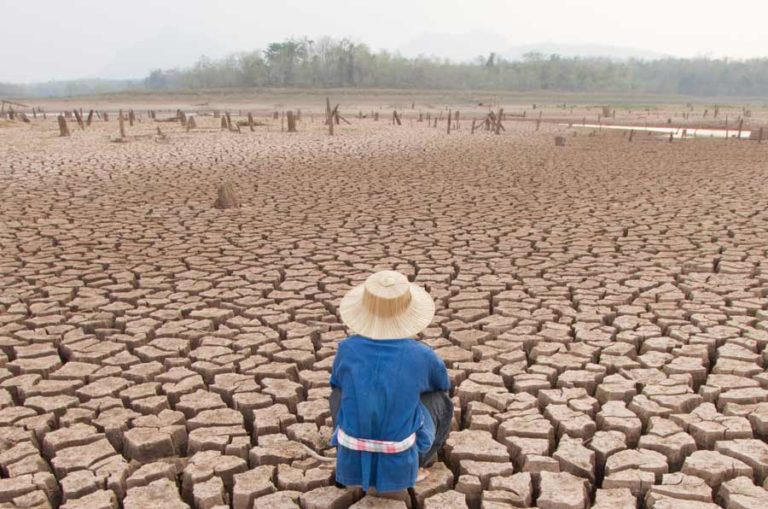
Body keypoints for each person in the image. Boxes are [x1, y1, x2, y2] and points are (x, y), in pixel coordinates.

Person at [328, 270, 453, 494]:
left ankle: (350, 462)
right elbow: (442, 383)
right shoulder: (421, 355)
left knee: (339, 392)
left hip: (351, 456)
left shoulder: (346, 349)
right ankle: (419, 462)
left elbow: (336, 381)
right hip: (400, 459)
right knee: (439, 400)